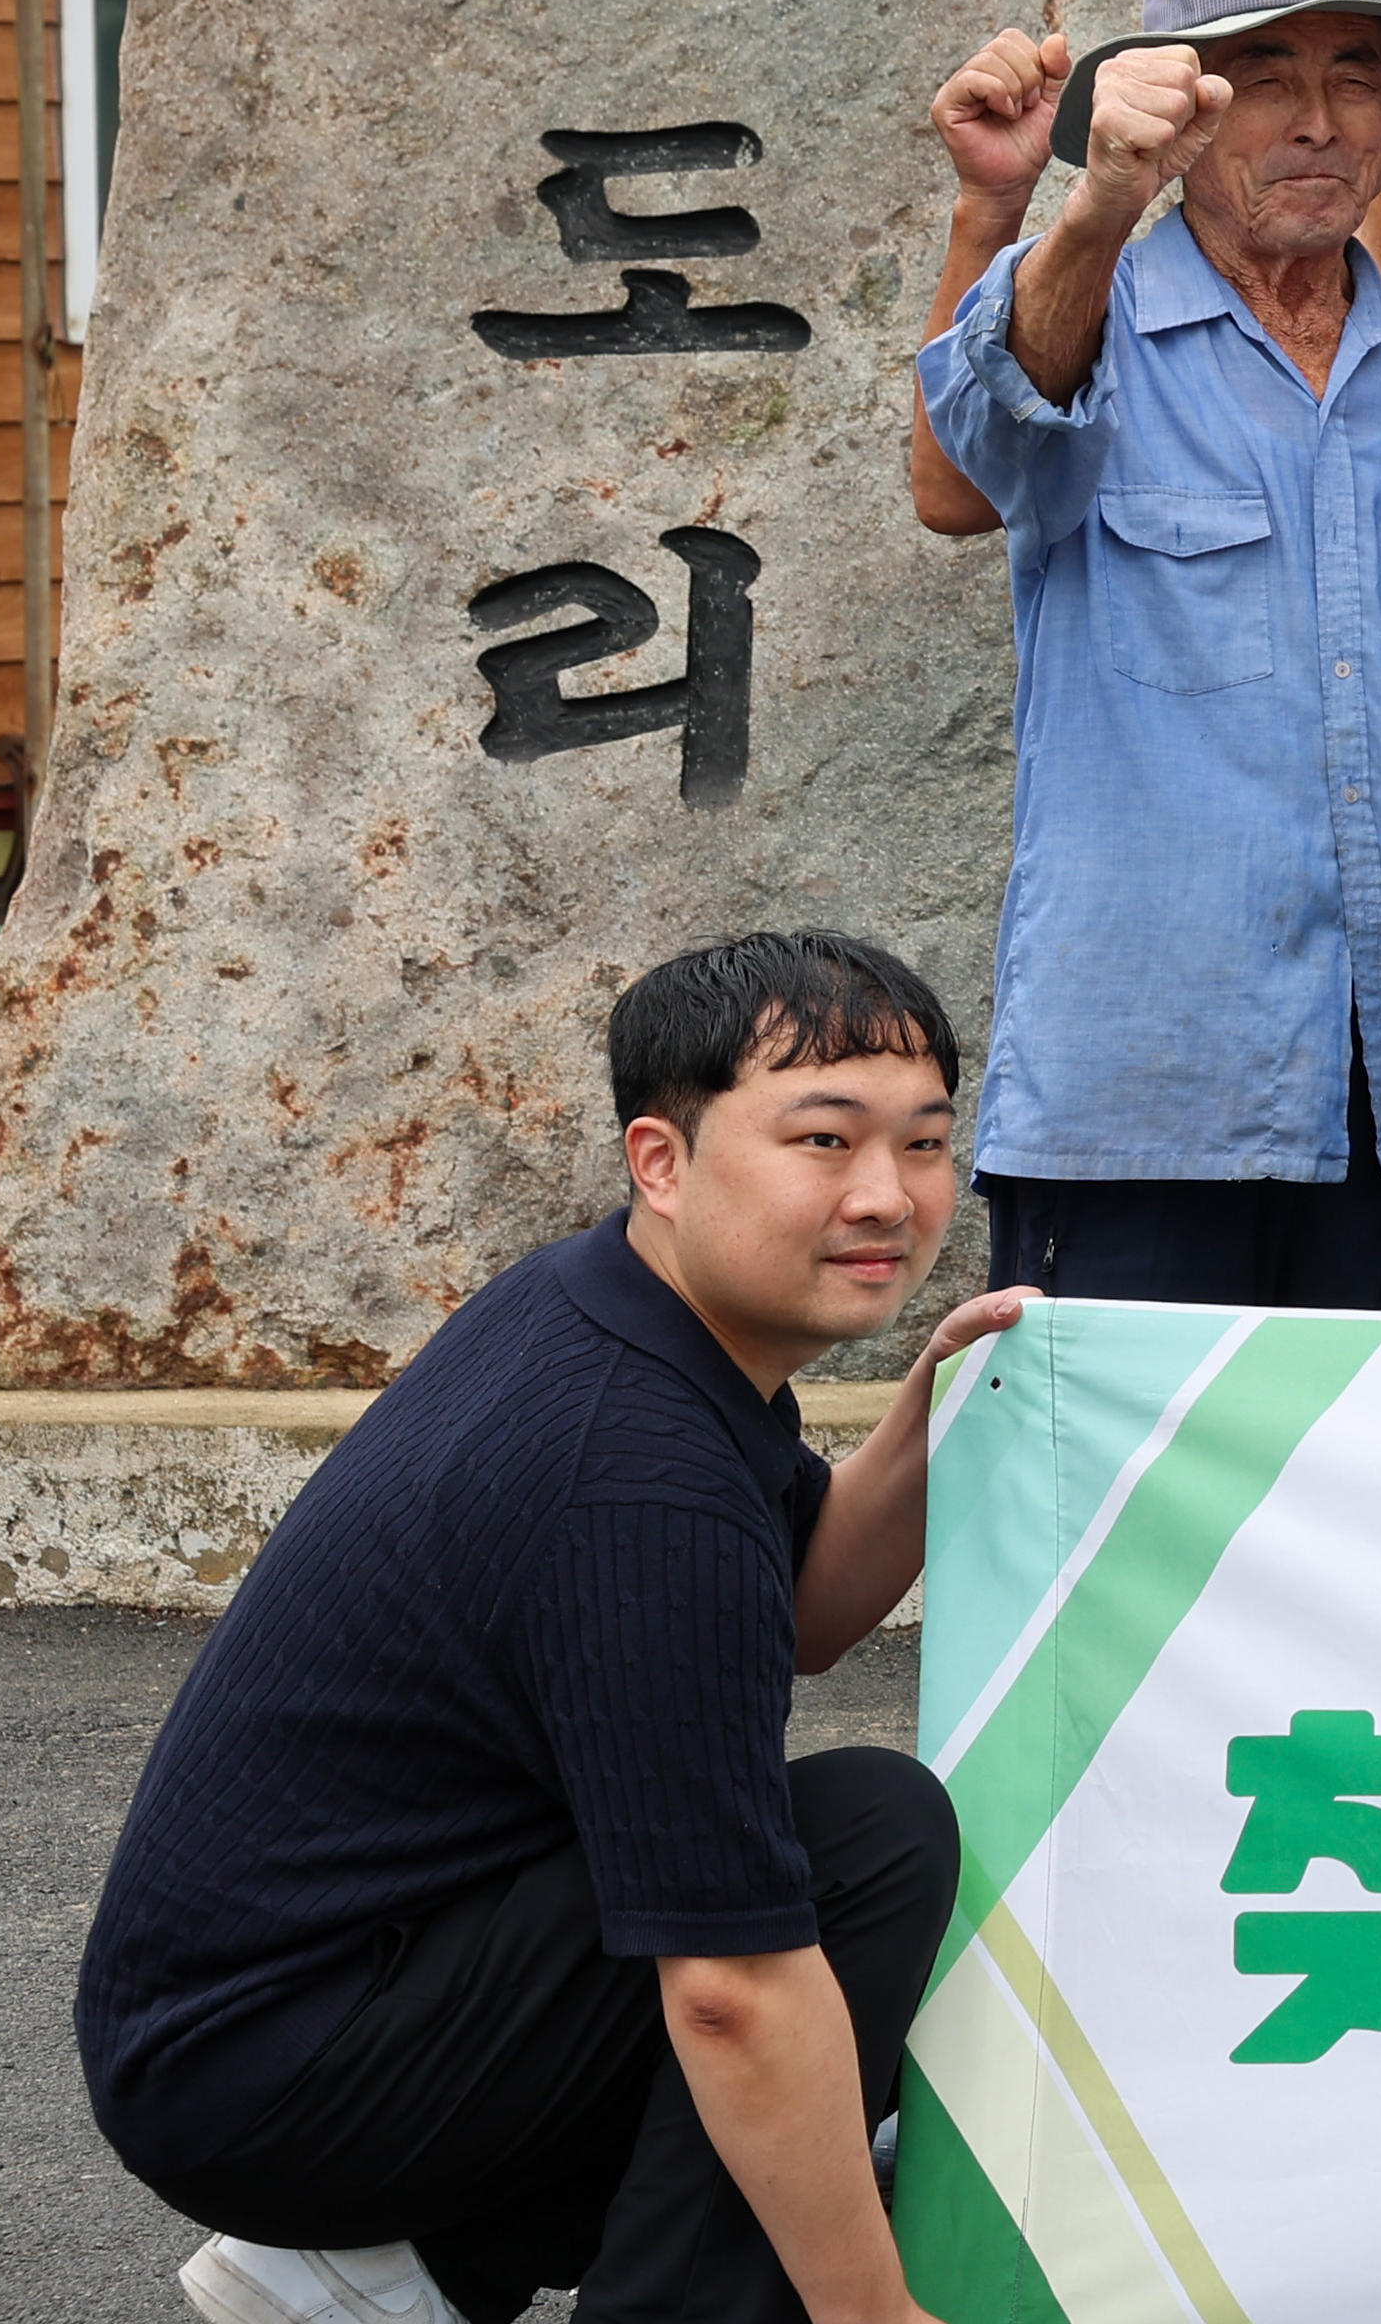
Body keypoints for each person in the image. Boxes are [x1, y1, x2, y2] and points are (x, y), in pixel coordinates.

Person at [80, 936, 1029, 2324]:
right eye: (824, 1140)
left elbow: (806, 1613)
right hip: (267, 2068)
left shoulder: (625, 1305)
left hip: (286, 2008)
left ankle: (404, 2262)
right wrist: (873, 2311)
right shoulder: (635, 1470)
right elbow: (732, 1990)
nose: (888, 1194)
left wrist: (939, 1414)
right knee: (841, 1879)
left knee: (844, 1875)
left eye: (926, 1142)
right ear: (661, 1161)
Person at [914, 0, 1381, 1300]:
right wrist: (1097, 199)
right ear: (1183, 111)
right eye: (1263, 79)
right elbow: (979, 443)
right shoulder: (1089, 317)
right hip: (1140, 1110)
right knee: (1129, 1454)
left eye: (1357, 77)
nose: (1317, 121)